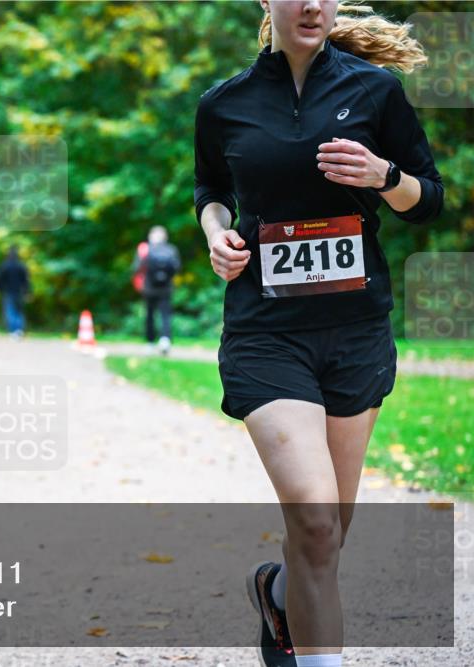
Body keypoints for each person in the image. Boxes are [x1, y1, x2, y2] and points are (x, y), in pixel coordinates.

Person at [194, 2, 442, 666]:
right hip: (266, 334)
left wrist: (385, 178)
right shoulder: (224, 104)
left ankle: (279, 592)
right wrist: (217, 233)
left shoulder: (373, 91)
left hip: (355, 331)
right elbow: (210, 190)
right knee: (313, 518)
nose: (311, 5)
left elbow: (432, 199)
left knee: (327, 537)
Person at [132, 226, 180, 354]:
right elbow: (177, 268)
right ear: (165, 237)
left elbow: (137, 268)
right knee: (165, 315)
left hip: (149, 288)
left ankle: (150, 342)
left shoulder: (145, 249)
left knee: (149, 315)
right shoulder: (171, 249)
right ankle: (165, 340)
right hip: (166, 288)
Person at [0, 247, 30, 336]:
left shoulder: (4, 266)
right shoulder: (21, 265)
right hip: (19, 292)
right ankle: (19, 330)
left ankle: (12, 330)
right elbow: (26, 280)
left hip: (8, 292)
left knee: (10, 311)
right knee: (18, 311)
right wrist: (27, 291)